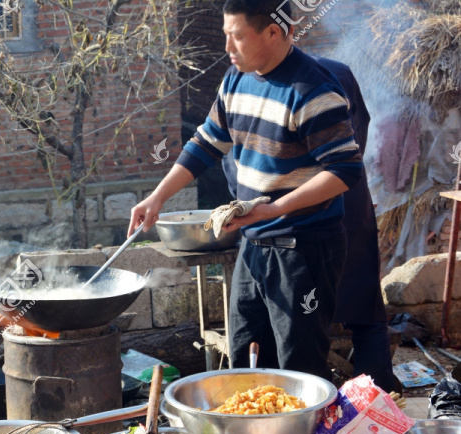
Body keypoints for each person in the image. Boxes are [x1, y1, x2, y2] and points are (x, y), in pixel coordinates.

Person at [128, 0, 364, 380]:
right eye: (226, 35)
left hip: (303, 249)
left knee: (299, 369)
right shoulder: (236, 79)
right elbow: (206, 143)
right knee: (246, 359)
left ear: (273, 32)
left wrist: (276, 208)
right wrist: (157, 196)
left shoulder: (312, 89)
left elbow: (344, 170)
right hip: (253, 246)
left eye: (236, 36)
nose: (227, 47)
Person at [221, 56, 395, 391]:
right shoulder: (335, 73)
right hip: (347, 207)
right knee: (365, 310)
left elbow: (237, 169)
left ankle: (324, 412)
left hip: (300, 230)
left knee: (297, 338)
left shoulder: (274, 90)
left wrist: (253, 205)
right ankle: (380, 398)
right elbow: (357, 138)